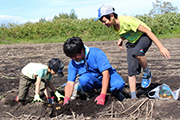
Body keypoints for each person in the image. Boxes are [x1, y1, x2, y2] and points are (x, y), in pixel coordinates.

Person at [94, 4, 170, 99]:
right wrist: (121, 39)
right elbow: (126, 32)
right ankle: (133, 97)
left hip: (144, 37)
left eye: (104, 21)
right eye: (102, 22)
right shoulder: (114, 26)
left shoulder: (127, 21)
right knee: (131, 71)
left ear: (112, 16)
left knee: (138, 53)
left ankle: (147, 72)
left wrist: (161, 47)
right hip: (132, 42)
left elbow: (148, 32)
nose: (103, 24)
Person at [63, 37, 125, 105]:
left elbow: (106, 74)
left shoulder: (96, 53)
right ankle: (90, 95)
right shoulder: (73, 63)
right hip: (93, 80)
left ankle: (114, 93)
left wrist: (102, 95)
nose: (74, 58)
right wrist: (67, 98)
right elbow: (70, 82)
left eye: (76, 56)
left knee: (118, 84)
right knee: (83, 79)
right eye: (71, 57)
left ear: (82, 50)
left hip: (107, 76)